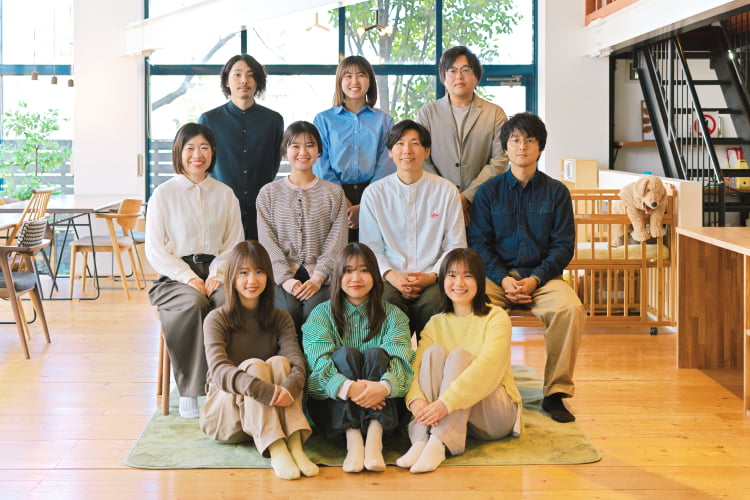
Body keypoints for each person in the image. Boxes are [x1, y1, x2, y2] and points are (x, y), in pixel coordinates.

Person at [467, 112, 585, 423]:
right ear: (505, 148)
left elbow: (563, 247)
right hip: (497, 278)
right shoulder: (488, 192)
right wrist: (503, 279)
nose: (522, 146)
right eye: (515, 140)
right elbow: (479, 244)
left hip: (543, 279)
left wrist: (535, 279)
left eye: (529, 140)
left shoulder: (557, 192)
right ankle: (485, 386)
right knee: (474, 306)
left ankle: (555, 393)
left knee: (569, 309)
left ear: (540, 148)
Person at [146, 122, 244, 419]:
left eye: (204, 148)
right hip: (174, 276)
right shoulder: (163, 194)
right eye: (190, 148)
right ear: (179, 152)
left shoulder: (225, 194)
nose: (197, 155)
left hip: (218, 273)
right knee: (194, 303)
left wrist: (217, 274)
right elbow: (155, 249)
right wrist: (188, 277)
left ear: (213, 152)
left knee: (230, 302)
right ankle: (191, 390)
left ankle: (227, 385)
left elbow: (234, 242)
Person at [200, 240, 318, 480]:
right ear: (232, 277)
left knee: (280, 364)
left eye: (259, 271)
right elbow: (219, 371)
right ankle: (276, 447)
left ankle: (294, 444)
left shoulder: (280, 317)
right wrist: (264, 390)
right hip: (225, 417)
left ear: (268, 276)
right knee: (254, 366)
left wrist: (288, 387)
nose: (252, 280)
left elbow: (296, 363)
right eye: (243, 273)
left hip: (272, 411)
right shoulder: (217, 319)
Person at [397, 248, 522, 474]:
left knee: (460, 356)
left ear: (479, 280)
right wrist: (416, 400)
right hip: (452, 414)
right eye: (452, 275)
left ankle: (438, 443)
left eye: (468, 275)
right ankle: (420, 441)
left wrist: (445, 404)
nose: (459, 283)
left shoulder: (496, 317)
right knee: (433, 353)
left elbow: (488, 368)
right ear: (443, 280)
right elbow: (416, 367)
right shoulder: (436, 323)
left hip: (494, 416)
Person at [302, 242, 414, 473]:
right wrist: (350, 388)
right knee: (345, 354)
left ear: (375, 275)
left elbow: (403, 364)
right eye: (348, 271)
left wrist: (382, 388)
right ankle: (353, 440)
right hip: (333, 412)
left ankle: (374, 439)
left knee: (376, 354)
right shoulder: (321, 314)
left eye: (364, 270)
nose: (356, 278)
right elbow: (317, 367)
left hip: (386, 412)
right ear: (338, 276)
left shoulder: (394, 315)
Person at [359, 119, 466, 338]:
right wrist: (392, 276)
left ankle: (432, 358)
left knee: (435, 301)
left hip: (433, 276)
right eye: (400, 144)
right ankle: (395, 359)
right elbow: (370, 248)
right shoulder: (374, 194)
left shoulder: (446, 191)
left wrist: (432, 275)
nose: (407, 150)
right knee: (385, 301)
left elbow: (455, 245)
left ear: (426, 151)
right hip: (390, 277)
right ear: (390, 152)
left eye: (415, 143)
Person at [256, 121, 348, 338]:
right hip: (281, 275)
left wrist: (318, 278)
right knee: (286, 311)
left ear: (319, 151)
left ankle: (317, 359)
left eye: (310, 145)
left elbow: (337, 241)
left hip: (323, 275)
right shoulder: (268, 193)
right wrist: (285, 279)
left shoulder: (334, 193)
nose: (303, 152)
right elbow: (267, 242)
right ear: (284, 151)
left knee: (317, 312)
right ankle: (289, 358)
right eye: (295, 146)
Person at [416, 45, 508, 224]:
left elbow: (500, 160)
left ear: (476, 76)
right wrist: (450, 198)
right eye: (452, 71)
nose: (459, 76)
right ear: (443, 77)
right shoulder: (427, 114)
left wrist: (467, 198)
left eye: (466, 70)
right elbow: (421, 159)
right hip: (437, 204)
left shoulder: (495, 113)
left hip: (483, 205)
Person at [199, 54, 283, 240]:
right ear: (227, 81)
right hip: (220, 207)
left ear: (258, 81)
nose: (244, 80)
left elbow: (273, 164)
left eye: (251, 75)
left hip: (261, 208)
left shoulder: (273, 120)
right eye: (237, 74)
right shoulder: (209, 120)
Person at [313, 55, 396, 241]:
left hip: (375, 195)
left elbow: (387, 163)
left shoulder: (384, 121)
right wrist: (341, 199)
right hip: (332, 194)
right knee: (336, 254)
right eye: (348, 76)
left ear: (370, 81)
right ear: (339, 81)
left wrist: (366, 204)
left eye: (361, 75)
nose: (355, 81)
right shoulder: (323, 120)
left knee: (372, 253)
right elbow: (320, 163)